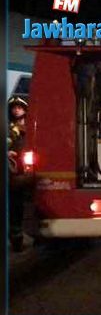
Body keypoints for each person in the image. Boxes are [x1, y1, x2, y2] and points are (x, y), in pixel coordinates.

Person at [7, 96, 30, 252]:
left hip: (35, 173)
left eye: (19, 107)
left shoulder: (33, 127)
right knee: (16, 206)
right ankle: (17, 239)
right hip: (17, 175)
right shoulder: (9, 129)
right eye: (14, 107)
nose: (16, 110)